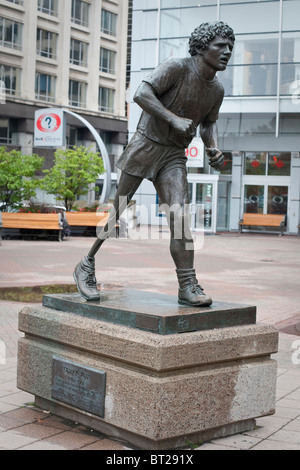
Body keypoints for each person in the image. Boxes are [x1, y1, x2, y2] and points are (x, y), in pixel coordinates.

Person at [74, 21, 235, 307]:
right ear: (201, 48)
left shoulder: (216, 90)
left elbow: (208, 124)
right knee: (117, 212)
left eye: (230, 47)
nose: (227, 52)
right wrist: (172, 118)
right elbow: (141, 93)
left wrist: (212, 147)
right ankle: (86, 265)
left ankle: (187, 285)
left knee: (181, 219)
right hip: (145, 145)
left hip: (173, 155)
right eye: (220, 46)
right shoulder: (176, 67)